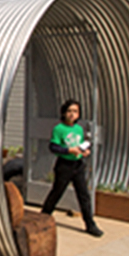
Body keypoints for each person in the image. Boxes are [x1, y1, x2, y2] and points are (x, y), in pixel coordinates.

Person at [41, 99, 104, 237]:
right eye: (69, 111)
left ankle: (90, 224)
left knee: (84, 196)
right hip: (64, 165)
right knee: (56, 193)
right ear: (64, 113)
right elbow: (53, 147)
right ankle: (42, 219)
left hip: (78, 165)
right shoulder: (59, 129)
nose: (72, 114)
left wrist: (83, 151)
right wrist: (69, 150)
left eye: (75, 111)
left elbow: (80, 144)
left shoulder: (79, 129)